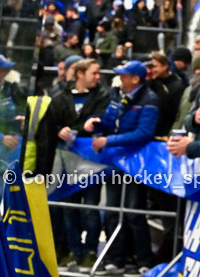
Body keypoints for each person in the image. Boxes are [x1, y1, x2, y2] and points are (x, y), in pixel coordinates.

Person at [83, 60, 159, 272]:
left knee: (134, 213)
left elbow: (144, 133)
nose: (120, 78)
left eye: (124, 75)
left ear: (136, 79)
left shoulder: (149, 99)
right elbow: (109, 122)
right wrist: (95, 123)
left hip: (137, 165)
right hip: (115, 162)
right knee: (112, 212)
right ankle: (115, 259)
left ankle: (144, 261)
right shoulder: (117, 95)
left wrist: (108, 141)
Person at [49, 59, 109, 270]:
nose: (98, 77)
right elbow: (50, 123)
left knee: (90, 208)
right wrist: (59, 129)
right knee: (69, 209)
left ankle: (91, 251)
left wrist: (80, 128)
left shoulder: (103, 96)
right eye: (94, 73)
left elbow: (102, 122)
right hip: (66, 162)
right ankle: (74, 251)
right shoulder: (60, 97)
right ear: (80, 74)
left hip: (92, 163)